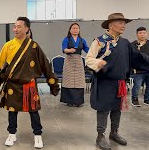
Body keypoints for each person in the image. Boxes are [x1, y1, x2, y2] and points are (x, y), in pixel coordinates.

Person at [0, 17, 60, 149]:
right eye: (14, 26)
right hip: (12, 85)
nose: (15, 29)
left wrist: (53, 83)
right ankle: (12, 134)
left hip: (29, 85)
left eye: (19, 26)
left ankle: (37, 135)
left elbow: (45, 65)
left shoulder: (33, 46)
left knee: (33, 111)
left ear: (27, 28)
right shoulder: (8, 45)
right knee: (12, 112)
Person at [86, 13, 149, 150]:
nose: (123, 26)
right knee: (103, 109)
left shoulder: (125, 43)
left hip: (120, 82)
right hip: (104, 82)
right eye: (120, 22)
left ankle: (114, 133)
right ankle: (100, 135)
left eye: (124, 23)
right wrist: (99, 62)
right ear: (111, 24)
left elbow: (138, 57)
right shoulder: (99, 41)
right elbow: (89, 59)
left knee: (117, 109)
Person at [60, 23, 89, 107]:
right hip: (69, 60)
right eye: (73, 28)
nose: (75, 29)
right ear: (70, 30)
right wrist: (69, 50)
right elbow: (64, 49)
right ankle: (69, 101)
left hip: (79, 61)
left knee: (79, 81)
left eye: (77, 28)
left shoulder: (82, 40)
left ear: (79, 30)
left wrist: (95, 51)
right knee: (69, 80)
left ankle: (78, 101)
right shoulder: (66, 39)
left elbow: (87, 49)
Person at [131, 27, 149, 107]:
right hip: (138, 70)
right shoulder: (133, 44)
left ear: (147, 34)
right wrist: (133, 68)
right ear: (137, 34)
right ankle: (134, 99)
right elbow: (131, 57)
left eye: (144, 33)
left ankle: (147, 99)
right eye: (140, 33)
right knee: (137, 86)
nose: (142, 35)